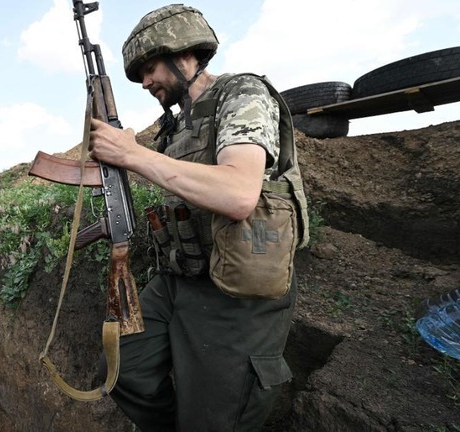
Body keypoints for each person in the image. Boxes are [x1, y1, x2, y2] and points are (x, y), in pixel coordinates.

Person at [89, 4, 307, 431]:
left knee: (214, 419)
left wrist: (133, 155)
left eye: (149, 69)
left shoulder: (241, 93)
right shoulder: (172, 128)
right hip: (179, 278)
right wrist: (125, 153)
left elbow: (239, 193)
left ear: (181, 53)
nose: (146, 82)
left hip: (238, 294)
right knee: (122, 369)